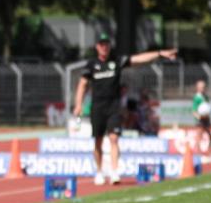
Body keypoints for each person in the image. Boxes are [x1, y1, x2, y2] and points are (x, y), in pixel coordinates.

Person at [72, 33, 177, 185]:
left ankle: (114, 171)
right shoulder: (91, 65)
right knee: (98, 141)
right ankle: (99, 172)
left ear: (109, 46)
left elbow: (138, 59)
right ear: (97, 47)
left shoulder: (116, 61)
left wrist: (160, 53)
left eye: (106, 44)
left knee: (114, 138)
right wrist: (78, 104)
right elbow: (82, 85)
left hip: (114, 107)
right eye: (101, 44)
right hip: (97, 107)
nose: (104, 47)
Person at [191, 80, 211, 153]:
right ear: (197, 88)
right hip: (200, 120)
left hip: (207, 119)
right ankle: (198, 153)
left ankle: (210, 151)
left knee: (210, 135)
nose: (203, 88)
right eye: (201, 87)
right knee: (199, 136)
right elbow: (194, 111)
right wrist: (200, 117)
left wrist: (207, 116)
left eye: (204, 87)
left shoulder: (206, 97)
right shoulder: (196, 97)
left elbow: (207, 108)